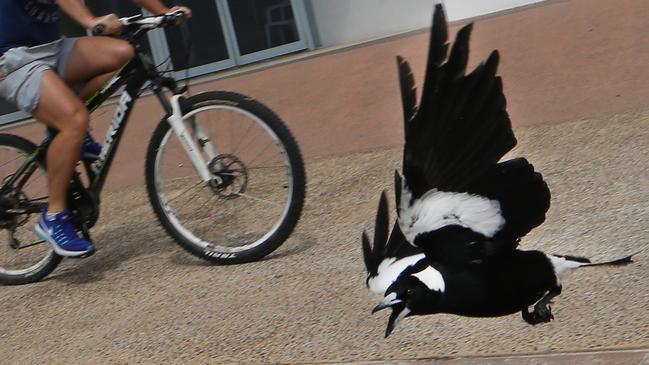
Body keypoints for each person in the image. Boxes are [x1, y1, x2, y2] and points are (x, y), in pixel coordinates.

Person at [0, 1, 191, 257]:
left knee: (124, 55)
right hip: (13, 58)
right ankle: (54, 216)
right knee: (74, 120)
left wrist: (162, 12)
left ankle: (68, 135)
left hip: (54, 48)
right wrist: (90, 21)